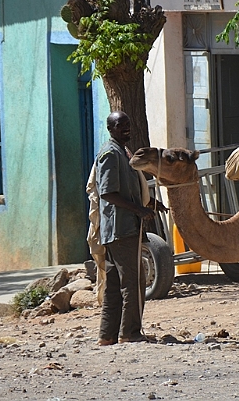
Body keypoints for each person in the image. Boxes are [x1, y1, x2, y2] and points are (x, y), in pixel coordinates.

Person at [95, 111, 157, 345]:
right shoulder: (111, 154)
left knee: (114, 285)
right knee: (133, 282)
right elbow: (108, 193)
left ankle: (107, 335)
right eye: (121, 125)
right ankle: (129, 332)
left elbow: (128, 190)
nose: (126, 128)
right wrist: (137, 210)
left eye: (128, 124)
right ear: (111, 129)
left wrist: (150, 203)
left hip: (120, 228)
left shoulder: (124, 152)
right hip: (121, 228)